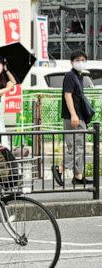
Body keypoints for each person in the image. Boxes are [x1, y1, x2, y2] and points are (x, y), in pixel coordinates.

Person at [52, 50, 94, 186]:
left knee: (79, 146)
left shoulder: (79, 76)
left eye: (82, 60)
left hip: (79, 117)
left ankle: (78, 176)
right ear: (71, 62)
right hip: (73, 117)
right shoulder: (70, 76)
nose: (80, 62)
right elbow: (67, 95)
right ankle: (59, 169)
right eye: (77, 60)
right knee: (76, 147)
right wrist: (73, 114)